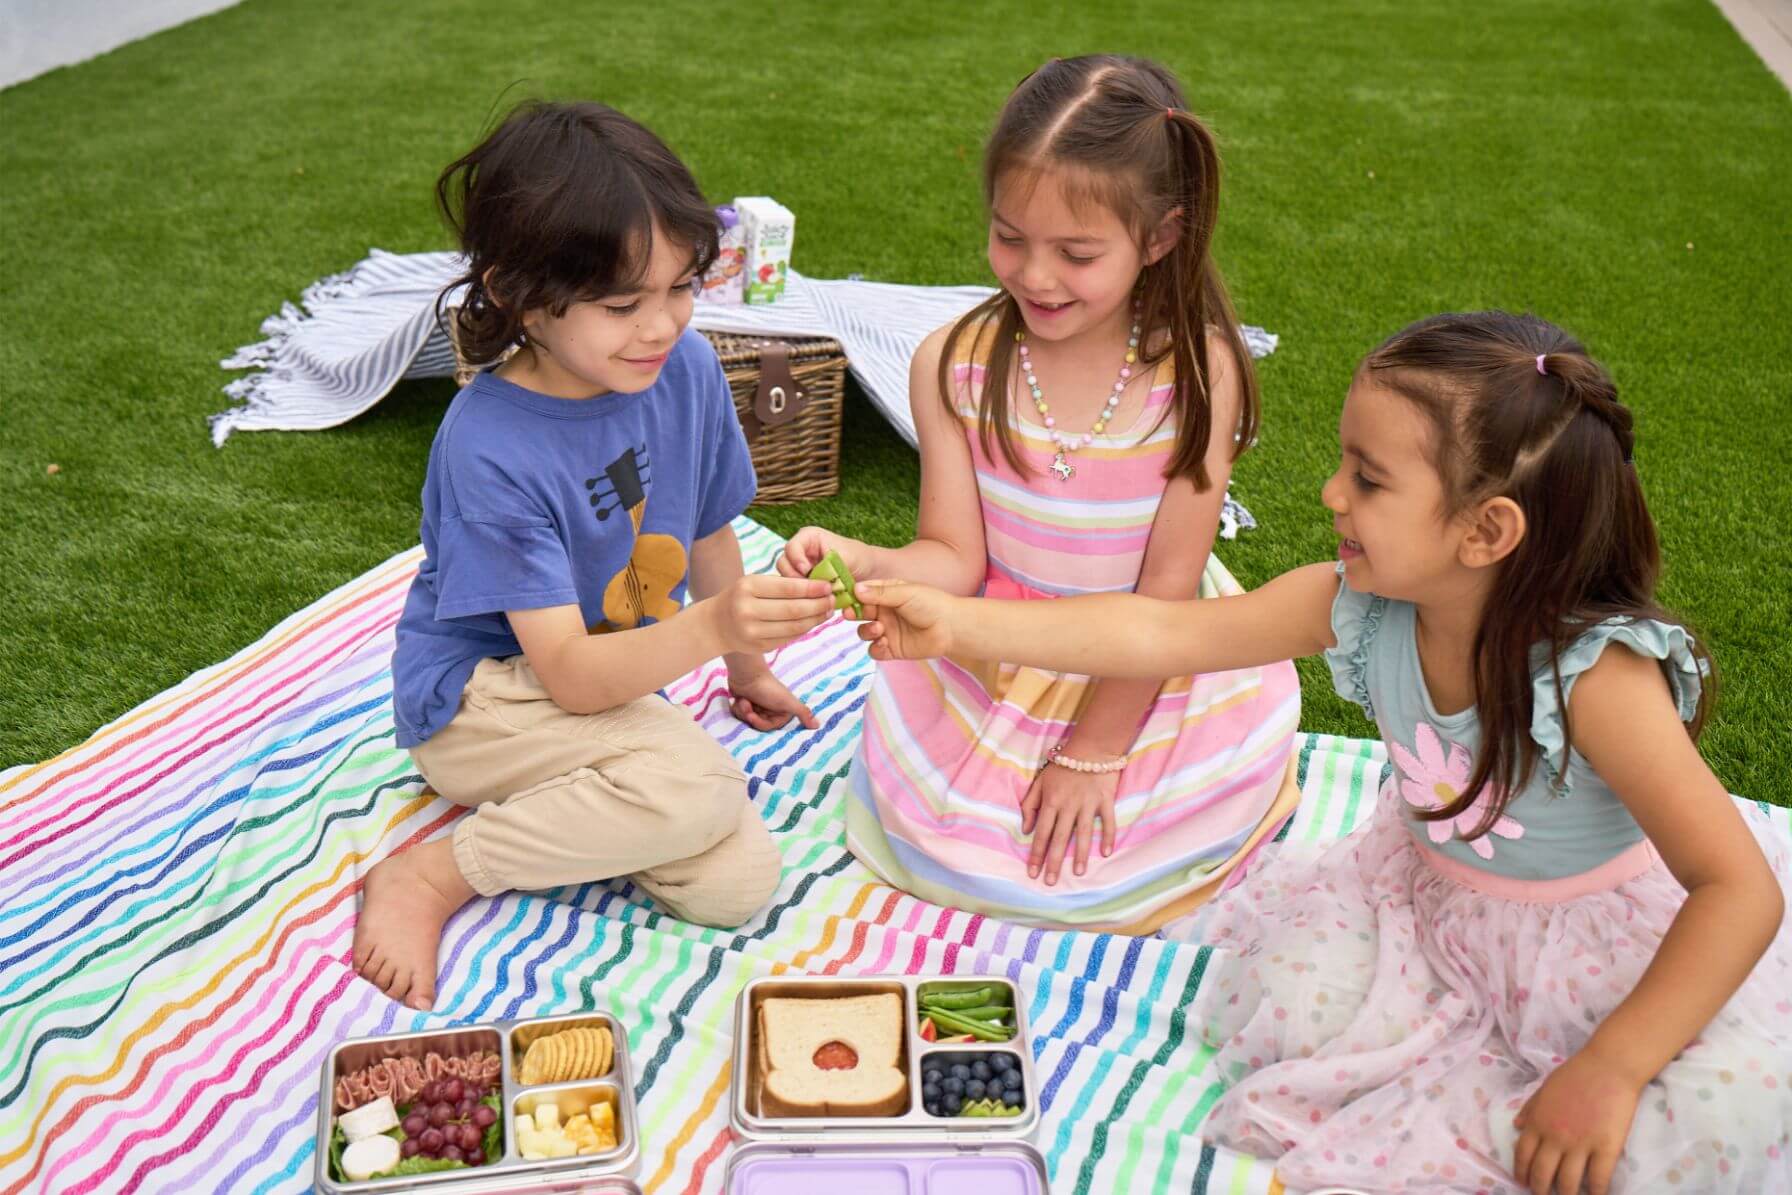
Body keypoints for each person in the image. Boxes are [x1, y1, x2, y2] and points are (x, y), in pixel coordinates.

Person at [856, 311, 1792, 1193]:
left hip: (1606, 951)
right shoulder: (1357, 607)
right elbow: (1155, 633)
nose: (1330, 492)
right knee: (1298, 1006)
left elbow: (1739, 889)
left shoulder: (1593, 679)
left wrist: (1614, 1064)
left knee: (1686, 1127)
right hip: (1428, 905)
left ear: (1487, 529)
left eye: (1368, 478)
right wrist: (956, 622)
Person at [778, 55, 1300, 933]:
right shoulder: (953, 360)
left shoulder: (1200, 374)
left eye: (1078, 253)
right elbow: (952, 558)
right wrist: (860, 559)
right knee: (975, 853)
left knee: (1101, 847)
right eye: (1009, 235)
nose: (1036, 274)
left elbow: (1167, 596)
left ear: (1162, 238)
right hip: (996, 652)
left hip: (1143, 660)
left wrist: (1093, 753)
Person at [352, 100, 837, 1011]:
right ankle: (432, 875)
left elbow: (706, 531)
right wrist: (713, 625)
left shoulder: (682, 369)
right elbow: (570, 676)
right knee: (697, 783)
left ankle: (605, 807)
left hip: (599, 682)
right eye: (623, 304)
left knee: (738, 878)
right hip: (481, 699)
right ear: (520, 297)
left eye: (681, 288)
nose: (661, 325)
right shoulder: (488, 444)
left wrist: (747, 664)